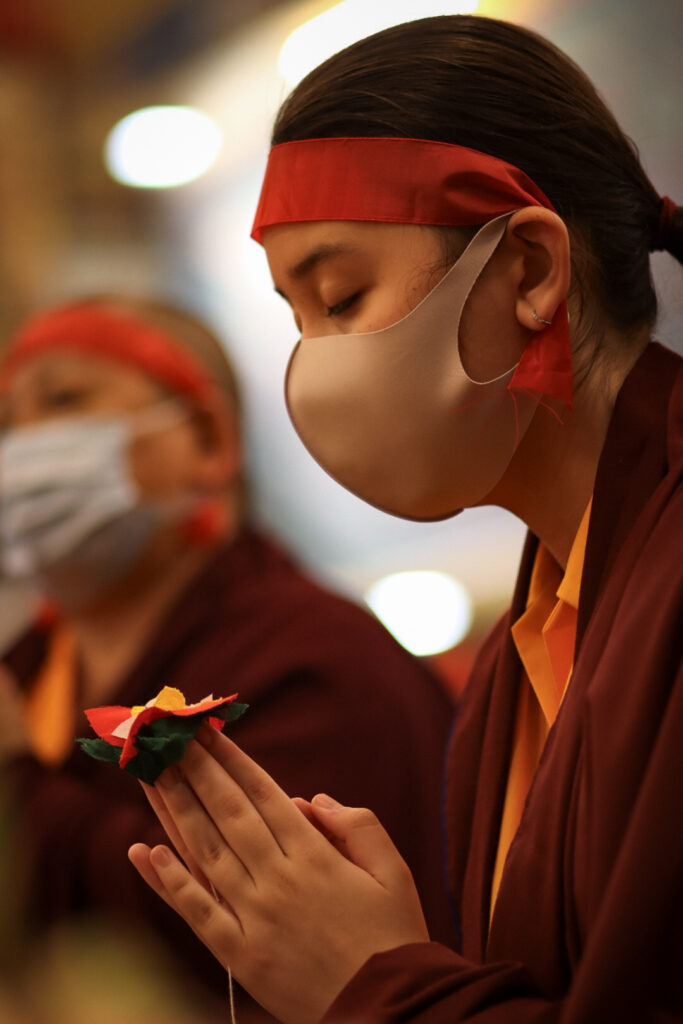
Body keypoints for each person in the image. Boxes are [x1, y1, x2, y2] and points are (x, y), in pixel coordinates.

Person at [127, 14, 683, 1024]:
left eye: (340, 298)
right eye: (297, 316)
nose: (312, 368)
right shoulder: (519, 655)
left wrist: (374, 982)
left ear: (528, 268)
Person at [0, 295, 459, 1021]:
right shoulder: (27, 667)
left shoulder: (319, 663)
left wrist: (16, 781)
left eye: (64, 400)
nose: (24, 445)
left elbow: (256, 945)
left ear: (206, 438)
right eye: (7, 424)